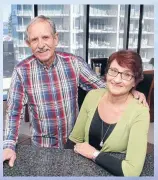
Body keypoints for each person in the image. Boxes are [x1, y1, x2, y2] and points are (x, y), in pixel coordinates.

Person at [3, 15, 146, 168]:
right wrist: (8, 146)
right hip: (42, 148)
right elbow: (13, 113)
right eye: (34, 40)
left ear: (55, 39)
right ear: (28, 43)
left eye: (45, 37)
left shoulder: (74, 63)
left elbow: (102, 86)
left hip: (75, 147)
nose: (41, 45)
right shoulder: (21, 71)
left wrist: (130, 92)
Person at [66, 50, 150, 176]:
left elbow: (132, 171)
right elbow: (74, 139)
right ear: (106, 73)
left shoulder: (140, 112)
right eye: (113, 71)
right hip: (83, 170)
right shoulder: (92, 96)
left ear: (135, 82)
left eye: (127, 75)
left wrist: (94, 154)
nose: (117, 79)